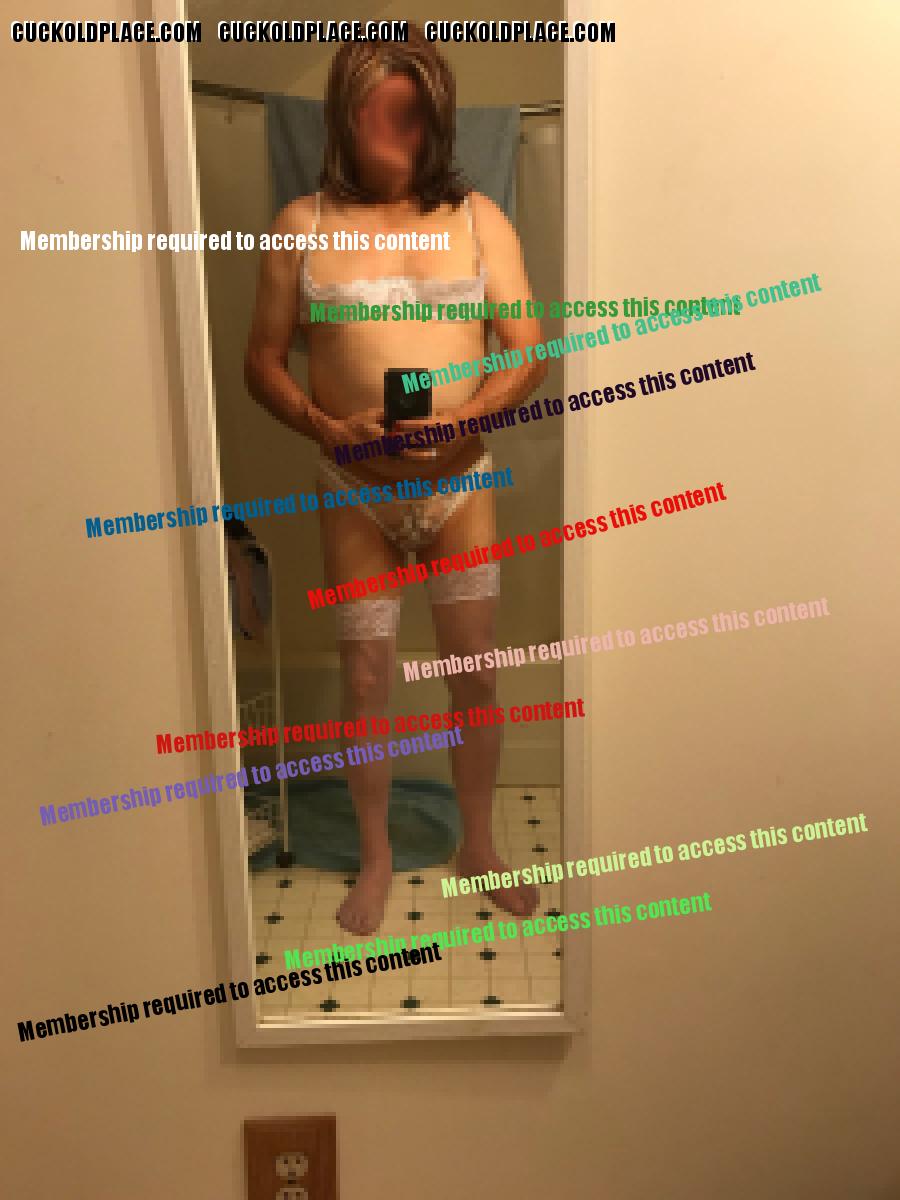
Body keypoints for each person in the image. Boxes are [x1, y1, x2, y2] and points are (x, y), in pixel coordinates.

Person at [245, 24, 547, 935]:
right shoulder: (301, 226)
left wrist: (468, 417)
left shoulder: (480, 220)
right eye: (382, 112)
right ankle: (376, 860)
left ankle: (480, 846)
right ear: (347, 114)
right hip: (353, 490)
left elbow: (526, 349)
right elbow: (262, 361)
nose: (399, 133)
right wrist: (327, 426)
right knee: (367, 680)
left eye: (414, 114)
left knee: (475, 674)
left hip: (460, 486)